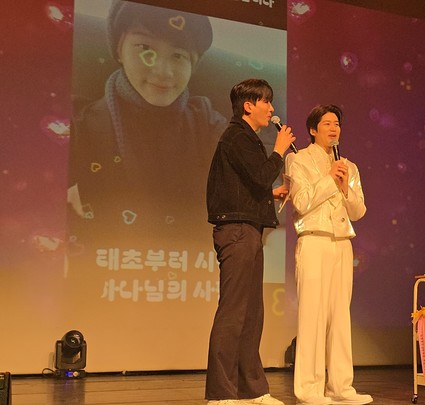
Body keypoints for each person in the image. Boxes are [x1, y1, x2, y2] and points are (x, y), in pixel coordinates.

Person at [69, 0, 226, 239]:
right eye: (144, 48)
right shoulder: (77, 125)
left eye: (178, 55)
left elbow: (249, 168)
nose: (163, 71)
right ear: (119, 50)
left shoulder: (206, 122)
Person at [205, 79, 295, 405]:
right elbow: (260, 174)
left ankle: (252, 390)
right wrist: (279, 150)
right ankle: (221, 393)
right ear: (248, 106)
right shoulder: (237, 136)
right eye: (266, 102)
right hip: (237, 231)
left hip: (249, 229)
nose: (271, 109)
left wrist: (271, 194)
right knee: (233, 311)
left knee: (252, 313)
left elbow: (246, 183)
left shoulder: (246, 138)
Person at [286, 104, 372, 405]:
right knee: (313, 315)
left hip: (342, 242)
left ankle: (341, 388)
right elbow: (301, 202)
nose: (334, 128)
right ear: (313, 129)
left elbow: (358, 211)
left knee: (340, 316)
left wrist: (345, 187)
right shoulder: (298, 159)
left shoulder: (349, 166)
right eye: (327, 123)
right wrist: (329, 179)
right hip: (313, 240)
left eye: (337, 123)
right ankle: (309, 389)